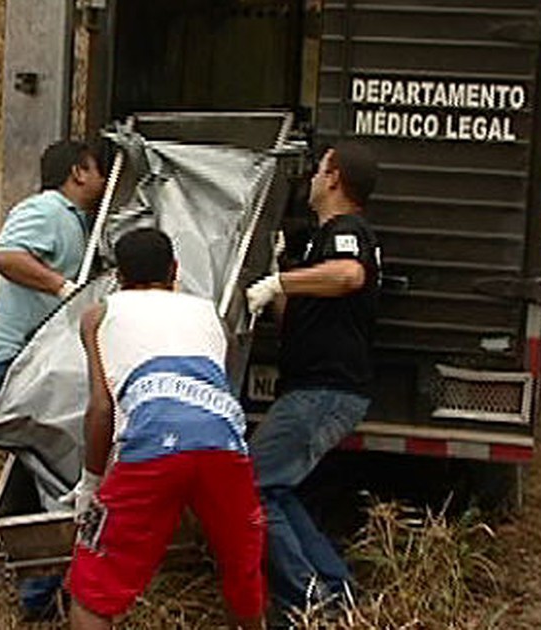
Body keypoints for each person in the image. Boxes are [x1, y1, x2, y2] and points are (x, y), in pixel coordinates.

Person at [65, 228, 265, 630]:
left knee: (93, 589)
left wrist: (90, 486)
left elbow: (101, 410)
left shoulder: (99, 314)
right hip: (224, 446)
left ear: (117, 279)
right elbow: (206, 399)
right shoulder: (211, 316)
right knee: (243, 578)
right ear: (175, 270)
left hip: (153, 444)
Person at [0, 139, 107, 619]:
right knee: (64, 474)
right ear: (77, 173)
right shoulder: (47, 210)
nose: (105, 178)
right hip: (11, 363)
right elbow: (4, 256)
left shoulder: (78, 224)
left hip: (32, 366)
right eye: (99, 169)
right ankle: (43, 597)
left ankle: (45, 593)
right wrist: (64, 289)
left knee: (52, 471)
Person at [244, 142, 381, 620]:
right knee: (274, 489)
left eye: (319, 170)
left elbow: (348, 276)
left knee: (250, 487)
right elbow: (294, 315)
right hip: (310, 388)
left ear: (335, 178)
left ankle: (306, 602)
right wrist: (280, 275)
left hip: (325, 391)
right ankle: (335, 591)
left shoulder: (348, 232)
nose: (312, 179)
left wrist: (283, 283)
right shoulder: (316, 241)